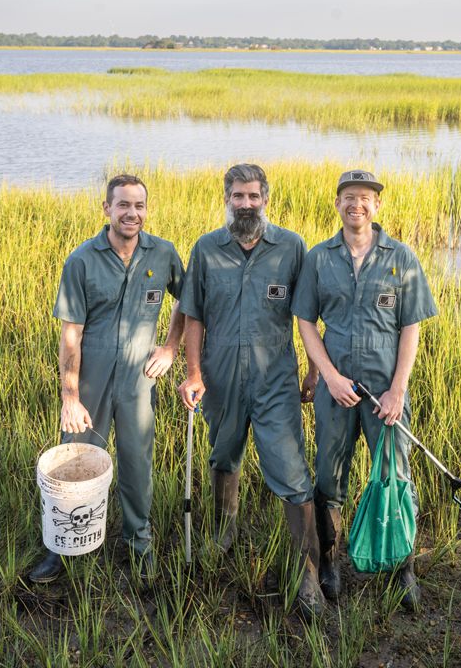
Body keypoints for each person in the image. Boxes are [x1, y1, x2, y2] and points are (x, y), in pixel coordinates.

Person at [178, 163, 324, 618]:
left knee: (291, 471)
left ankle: (308, 577)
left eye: (253, 197)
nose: (245, 205)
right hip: (219, 375)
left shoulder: (292, 248)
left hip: (275, 377)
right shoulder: (206, 248)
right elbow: (194, 316)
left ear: (266, 198)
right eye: (237, 197)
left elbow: (308, 316)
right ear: (227, 198)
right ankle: (225, 533)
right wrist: (194, 372)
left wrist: (317, 372)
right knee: (223, 455)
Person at [292, 169, 437, 610]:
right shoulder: (319, 258)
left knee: (395, 475)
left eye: (366, 198)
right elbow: (305, 321)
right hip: (336, 389)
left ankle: (403, 567)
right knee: (329, 477)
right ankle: (332, 563)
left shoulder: (401, 257)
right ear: (337, 204)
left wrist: (397, 390)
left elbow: (410, 326)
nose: (357, 205)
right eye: (349, 197)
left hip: (384, 392)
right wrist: (328, 376)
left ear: (377, 205)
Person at [29, 174, 185, 583]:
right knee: (74, 462)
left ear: (146, 210)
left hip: (138, 378)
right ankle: (61, 549)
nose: (132, 213)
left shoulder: (163, 254)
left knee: (137, 464)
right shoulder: (82, 260)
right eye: (123, 205)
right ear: (107, 209)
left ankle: (139, 544)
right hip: (91, 378)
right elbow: (70, 335)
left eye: (139, 206)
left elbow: (190, 300)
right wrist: (70, 397)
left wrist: (170, 348)